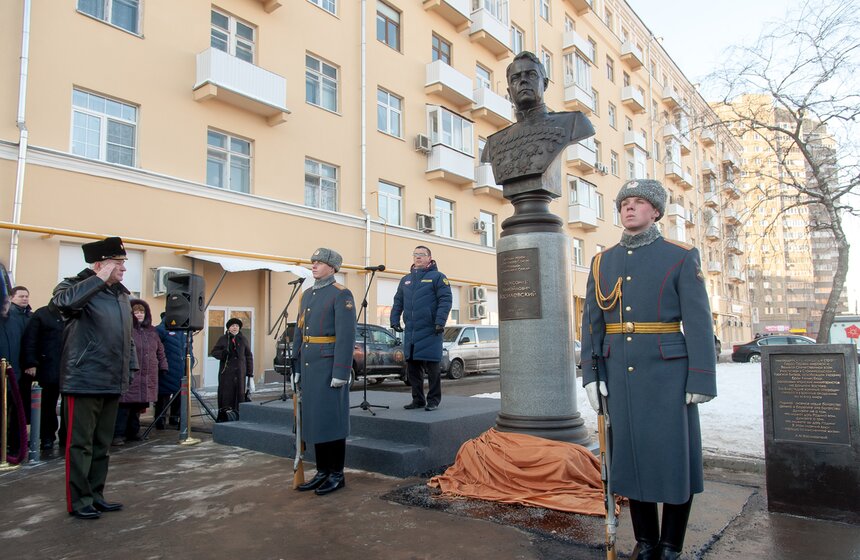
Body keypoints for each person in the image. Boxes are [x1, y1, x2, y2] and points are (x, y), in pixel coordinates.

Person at [581, 179, 717, 560]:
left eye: (639, 201)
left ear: (655, 211)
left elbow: (698, 320)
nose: (629, 207)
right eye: (624, 202)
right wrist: (591, 374)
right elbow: (592, 324)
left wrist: (701, 377)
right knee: (630, 459)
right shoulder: (602, 261)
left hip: (668, 376)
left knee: (674, 460)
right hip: (619, 377)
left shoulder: (680, 255)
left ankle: (671, 545)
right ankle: (645, 542)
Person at [52, 236, 138, 520]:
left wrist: (131, 369)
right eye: (118, 263)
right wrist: (98, 279)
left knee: (102, 444)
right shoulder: (73, 286)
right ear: (100, 265)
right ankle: (79, 501)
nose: (124, 268)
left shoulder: (121, 295)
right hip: (84, 379)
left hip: (112, 379)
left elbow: (127, 338)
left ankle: (96, 495)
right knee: (80, 445)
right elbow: (63, 304)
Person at [291, 248, 356, 495]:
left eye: (319, 262)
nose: (314, 265)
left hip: (329, 366)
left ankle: (336, 474)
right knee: (316, 420)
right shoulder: (307, 294)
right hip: (310, 366)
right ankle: (322, 472)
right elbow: (299, 332)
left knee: (332, 420)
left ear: (332, 267)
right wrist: (297, 365)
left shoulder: (341, 294)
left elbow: (346, 336)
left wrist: (341, 371)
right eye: (313, 262)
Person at [390, 246, 452, 411]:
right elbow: (398, 301)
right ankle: (418, 400)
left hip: (431, 329)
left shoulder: (438, 277)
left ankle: (433, 400)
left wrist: (440, 321)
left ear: (429, 258)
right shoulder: (406, 280)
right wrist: (394, 319)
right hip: (412, 331)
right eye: (415, 254)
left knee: (433, 369)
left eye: (422, 254)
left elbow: (445, 300)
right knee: (413, 368)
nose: (418, 257)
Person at [113, 299, 166, 445]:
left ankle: (134, 432)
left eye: (142, 311)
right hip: (130, 374)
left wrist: (163, 366)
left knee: (137, 406)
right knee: (124, 406)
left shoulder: (152, 331)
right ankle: (118, 434)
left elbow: (160, 351)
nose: (139, 314)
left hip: (147, 374)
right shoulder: (126, 329)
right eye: (136, 312)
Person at [20, 302, 66, 451]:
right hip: (48, 366)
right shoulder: (42, 314)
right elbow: (30, 340)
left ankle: (66, 436)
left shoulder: (75, 313)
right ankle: (47, 437)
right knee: (47, 405)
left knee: (68, 407)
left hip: (70, 369)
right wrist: (30, 363)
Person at [1, 286, 32, 456]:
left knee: (18, 409)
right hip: (9, 371)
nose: (25, 299)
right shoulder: (8, 318)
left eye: (27, 296)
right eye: (21, 296)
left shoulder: (27, 317)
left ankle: (16, 444)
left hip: (20, 371)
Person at [210, 317, 253, 421]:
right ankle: (225, 416)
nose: (235, 328)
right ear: (229, 328)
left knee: (240, 395)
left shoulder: (243, 340)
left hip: (240, 373)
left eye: (237, 326)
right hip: (226, 373)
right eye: (233, 326)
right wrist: (223, 354)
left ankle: (238, 416)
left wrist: (250, 373)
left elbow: (248, 356)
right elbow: (214, 352)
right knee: (226, 395)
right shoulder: (223, 339)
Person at [154, 312, 187, 429]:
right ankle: (160, 420)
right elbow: (156, 349)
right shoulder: (160, 330)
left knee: (179, 394)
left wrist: (190, 363)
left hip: (181, 369)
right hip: (166, 369)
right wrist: (161, 365)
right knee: (163, 395)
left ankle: (175, 418)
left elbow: (189, 349)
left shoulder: (183, 330)